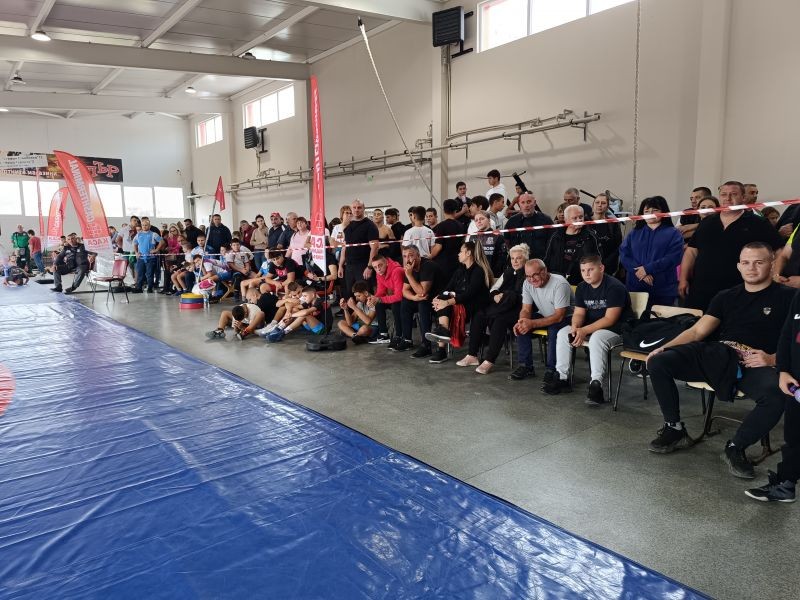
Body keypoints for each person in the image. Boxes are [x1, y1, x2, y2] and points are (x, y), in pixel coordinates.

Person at [646, 243, 793, 479]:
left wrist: (773, 358)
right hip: (719, 355)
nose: (751, 268)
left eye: (759, 262)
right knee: (659, 361)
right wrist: (665, 347)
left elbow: (796, 340)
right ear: (738, 266)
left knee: (777, 394)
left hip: (756, 362)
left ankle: (736, 447)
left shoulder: (789, 297)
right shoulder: (726, 296)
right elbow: (697, 331)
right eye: (746, 263)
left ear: (772, 263)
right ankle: (674, 428)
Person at [680, 181, 784, 311]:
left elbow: (780, 251)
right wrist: (683, 279)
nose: (728, 198)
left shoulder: (758, 223)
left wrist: (775, 275)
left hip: (739, 293)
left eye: (733, 194)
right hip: (701, 291)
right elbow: (691, 252)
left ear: (743, 197)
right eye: (724, 194)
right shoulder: (707, 222)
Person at [545, 255, 634, 404]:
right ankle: (562, 377)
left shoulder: (615, 287)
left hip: (618, 329)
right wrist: (575, 327)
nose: (586, 274)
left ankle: (596, 385)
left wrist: (584, 330)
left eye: (590, 270)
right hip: (593, 327)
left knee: (597, 338)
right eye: (583, 270)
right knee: (564, 333)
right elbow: (579, 313)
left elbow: (610, 319)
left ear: (601, 268)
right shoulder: (582, 287)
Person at [748, 288, 800, 501]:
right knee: (794, 437)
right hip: (795, 382)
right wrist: (783, 370)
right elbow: (787, 334)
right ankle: (785, 485)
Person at [457, 243, 528, 375]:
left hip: (520, 309)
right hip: (502, 304)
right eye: (512, 258)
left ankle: (489, 360)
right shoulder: (508, 271)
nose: (515, 261)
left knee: (499, 319)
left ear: (525, 259)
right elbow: (494, 288)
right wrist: (495, 295)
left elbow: (524, 297)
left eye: (518, 258)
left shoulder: (528, 273)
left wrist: (505, 295)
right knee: (479, 314)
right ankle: (472, 355)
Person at [425, 241, 494, 364]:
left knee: (445, 303)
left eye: (461, 251)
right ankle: (443, 333)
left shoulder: (478, 271)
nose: (458, 254)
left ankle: (442, 343)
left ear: (468, 253)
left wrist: (448, 301)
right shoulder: (460, 270)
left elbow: (469, 294)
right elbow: (448, 288)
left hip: (476, 305)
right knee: (442, 299)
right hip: (461, 303)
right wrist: (438, 298)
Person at [511, 259, 574, 382]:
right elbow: (526, 309)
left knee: (553, 329)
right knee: (522, 326)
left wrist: (532, 323)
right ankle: (526, 366)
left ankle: (552, 370)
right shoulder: (527, 283)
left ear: (544, 271)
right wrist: (522, 321)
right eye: (528, 276)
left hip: (567, 318)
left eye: (535, 275)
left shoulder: (560, 283)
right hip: (546, 314)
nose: (531, 279)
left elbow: (559, 316)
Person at [619, 195, 684, 307]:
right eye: (646, 211)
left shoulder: (673, 233)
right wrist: (640, 272)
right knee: (635, 315)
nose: (650, 214)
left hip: (663, 288)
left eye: (655, 210)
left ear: (663, 212)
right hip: (636, 286)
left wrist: (647, 269)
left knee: (661, 317)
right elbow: (624, 254)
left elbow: (674, 257)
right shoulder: (634, 233)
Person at [400, 244, 446, 359]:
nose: (407, 259)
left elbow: (422, 292)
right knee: (405, 303)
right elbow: (404, 290)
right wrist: (413, 298)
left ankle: (426, 345)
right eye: (405, 256)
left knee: (422, 304)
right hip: (424, 299)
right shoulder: (410, 268)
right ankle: (407, 340)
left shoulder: (428, 266)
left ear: (418, 256)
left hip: (439, 301)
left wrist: (409, 275)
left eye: (411, 255)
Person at [544, 204, 601, 285]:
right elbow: (547, 258)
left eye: (581, 217)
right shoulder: (556, 236)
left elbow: (598, 260)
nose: (579, 220)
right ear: (566, 220)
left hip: (582, 283)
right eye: (575, 218)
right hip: (557, 282)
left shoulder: (590, 237)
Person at [340, 199, 380, 299]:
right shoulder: (348, 226)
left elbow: (375, 248)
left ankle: (369, 310)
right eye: (354, 208)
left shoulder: (370, 225)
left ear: (363, 209)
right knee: (350, 295)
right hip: (349, 266)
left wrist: (369, 267)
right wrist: (340, 265)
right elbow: (345, 246)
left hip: (363, 266)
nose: (356, 210)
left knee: (365, 295)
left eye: (359, 208)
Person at [267, 286, 331, 342]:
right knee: (294, 310)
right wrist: (288, 311)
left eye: (305, 296)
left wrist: (290, 315)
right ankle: (279, 328)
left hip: (323, 330)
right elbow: (291, 305)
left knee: (304, 315)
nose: (304, 298)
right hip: (312, 327)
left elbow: (305, 312)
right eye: (303, 296)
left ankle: (282, 333)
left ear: (313, 295)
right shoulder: (308, 302)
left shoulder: (320, 301)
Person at [368, 253, 405, 345]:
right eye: (375, 267)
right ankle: (383, 334)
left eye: (380, 265)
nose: (378, 269)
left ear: (386, 263)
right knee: (379, 304)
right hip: (397, 297)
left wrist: (380, 299)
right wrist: (373, 299)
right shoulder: (379, 274)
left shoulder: (397, 271)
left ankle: (399, 335)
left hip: (408, 298)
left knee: (395, 306)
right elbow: (381, 292)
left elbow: (399, 296)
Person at [504, 192, 553, 260]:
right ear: (519, 204)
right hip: (518, 262)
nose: (526, 205)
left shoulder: (546, 220)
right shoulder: (512, 221)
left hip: (540, 261)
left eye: (529, 202)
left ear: (535, 203)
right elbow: (506, 240)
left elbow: (553, 242)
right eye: (523, 202)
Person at [588, 194, 622, 275]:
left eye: (603, 203)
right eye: (597, 202)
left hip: (608, 266)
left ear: (607, 207)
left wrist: (607, 263)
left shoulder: (613, 223)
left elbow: (619, 245)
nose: (600, 205)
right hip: (589, 265)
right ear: (593, 205)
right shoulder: (585, 222)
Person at [430, 199, 467, 275]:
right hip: (458, 261)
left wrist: (429, 257)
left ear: (444, 210)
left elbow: (438, 247)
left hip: (443, 263)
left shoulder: (441, 226)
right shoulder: (461, 226)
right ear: (455, 211)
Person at [132, 217, 165, 293]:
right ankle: (139, 288)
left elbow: (162, 242)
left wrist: (156, 250)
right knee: (140, 273)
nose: (144, 226)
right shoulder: (138, 234)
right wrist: (136, 252)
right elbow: (134, 243)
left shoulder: (153, 234)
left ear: (149, 226)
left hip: (151, 258)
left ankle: (150, 288)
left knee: (149, 274)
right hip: (141, 258)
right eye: (143, 225)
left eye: (146, 225)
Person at [337, 280, 376, 345]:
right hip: (360, 327)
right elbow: (350, 323)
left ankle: (351, 334)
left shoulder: (373, 301)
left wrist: (354, 307)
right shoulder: (360, 303)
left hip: (372, 327)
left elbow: (368, 321)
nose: (357, 299)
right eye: (355, 296)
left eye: (358, 296)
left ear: (366, 293)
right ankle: (355, 336)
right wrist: (345, 309)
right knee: (341, 323)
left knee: (364, 329)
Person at [469, 210, 506, 277]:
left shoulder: (498, 237)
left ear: (489, 220)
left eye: (482, 219)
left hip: (493, 274)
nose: (479, 221)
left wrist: (493, 274)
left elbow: (502, 259)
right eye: (476, 220)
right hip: (476, 274)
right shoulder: (473, 237)